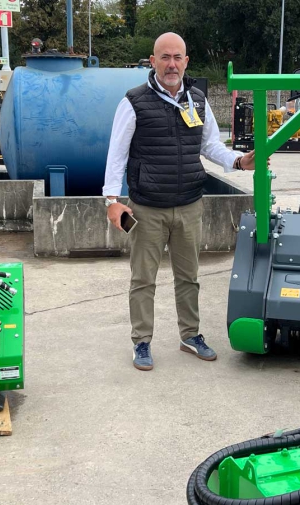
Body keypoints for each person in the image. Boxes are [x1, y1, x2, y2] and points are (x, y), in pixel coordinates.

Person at [103, 32, 255, 371]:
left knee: (189, 277)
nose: (172, 64)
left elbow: (210, 145)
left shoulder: (197, 100)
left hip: (189, 205)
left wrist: (238, 160)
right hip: (146, 207)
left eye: (178, 57)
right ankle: (141, 342)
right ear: (153, 61)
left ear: (186, 62)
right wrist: (112, 200)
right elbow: (117, 154)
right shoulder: (133, 101)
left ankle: (190, 335)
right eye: (165, 57)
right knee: (143, 279)